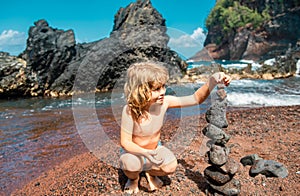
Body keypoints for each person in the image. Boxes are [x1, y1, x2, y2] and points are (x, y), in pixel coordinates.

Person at [119, 62, 231, 193]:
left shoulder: (165, 102)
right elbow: (125, 142)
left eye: (163, 87)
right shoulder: (129, 110)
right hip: (134, 152)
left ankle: (150, 171)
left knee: (171, 166)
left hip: (155, 148)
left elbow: (195, 99)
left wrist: (212, 80)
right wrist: (145, 153)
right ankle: (133, 179)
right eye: (156, 89)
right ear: (140, 90)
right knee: (130, 165)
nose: (162, 92)